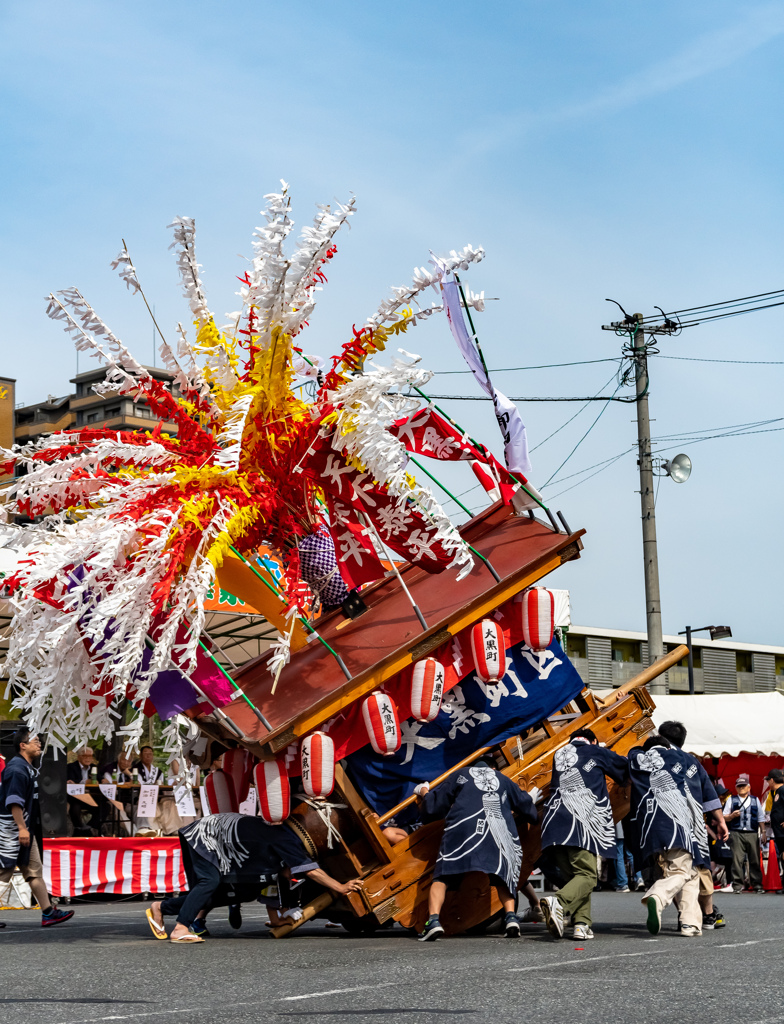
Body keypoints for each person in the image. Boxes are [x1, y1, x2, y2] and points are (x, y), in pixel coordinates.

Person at [144, 811, 362, 942]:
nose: (292, 876)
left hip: (223, 841)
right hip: (207, 833)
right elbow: (311, 871)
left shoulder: (286, 844)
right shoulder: (287, 840)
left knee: (244, 892)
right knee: (209, 881)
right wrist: (341, 887)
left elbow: (280, 881)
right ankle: (181, 928)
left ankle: (161, 908)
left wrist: (280, 917)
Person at [416, 759, 538, 941]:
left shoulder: (460, 774)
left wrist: (424, 792)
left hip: (463, 828)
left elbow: (435, 807)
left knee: (443, 876)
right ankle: (511, 918)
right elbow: (526, 806)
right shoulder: (502, 778)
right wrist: (530, 805)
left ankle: (433, 921)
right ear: (493, 768)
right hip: (497, 828)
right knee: (502, 873)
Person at [539, 727, 628, 941]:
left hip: (554, 824)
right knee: (588, 876)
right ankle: (558, 902)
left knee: (576, 877)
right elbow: (624, 768)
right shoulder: (595, 751)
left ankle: (581, 925)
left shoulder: (558, 754)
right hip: (580, 822)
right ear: (593, 741)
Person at [628, 735, 710, 937]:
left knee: (690, 873)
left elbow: (633, 751)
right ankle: (658, 896)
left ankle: (690, 922)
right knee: (681, 871)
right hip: (676, 822)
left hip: (649, 829)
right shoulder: (679, 757)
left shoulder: (636, 760)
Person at [658, 719, 729, 929]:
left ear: (661, 737)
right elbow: (710, 795)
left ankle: (685, 915)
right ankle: (707, 914)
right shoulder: (692, 761)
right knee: (700, 867)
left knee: (672, 872)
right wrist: (721, 821)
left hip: (665, 826)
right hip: (693, 826)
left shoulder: (651, 758)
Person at [0, 728, 74, 928]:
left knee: (34, 870)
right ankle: (49, 912)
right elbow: (13, 801)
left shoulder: (27, 768)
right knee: (3, 872)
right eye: (35, 741)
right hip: (11, 831)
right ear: (22, 745)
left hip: (25, 830)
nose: (39, 744)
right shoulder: (16, 769)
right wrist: (21, 828)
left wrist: (26, 829)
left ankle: (48, 912)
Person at [723, 773, 766, 893]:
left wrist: (763, 832)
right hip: (736, 833)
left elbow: (760, 817)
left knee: (755, 859)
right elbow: (724, 817)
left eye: (744, 786)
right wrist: (732, 816)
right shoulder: (731, 800)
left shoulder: (755, 800)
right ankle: (737, 885)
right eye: (739, 786)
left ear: (749, 787)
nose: (741, 788)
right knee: (737, 860)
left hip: (752, 833)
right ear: (736, 788)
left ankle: (757, 884)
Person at [765, 768, 784, 883]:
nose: (768, 783)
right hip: (779, 832)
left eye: (768, 780)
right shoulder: (776, 792)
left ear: (772, 780)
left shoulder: (782, 790)